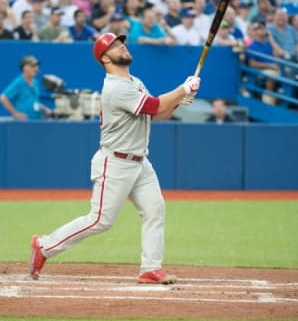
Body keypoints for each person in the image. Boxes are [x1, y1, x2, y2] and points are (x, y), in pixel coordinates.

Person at [28, 32, 200, 284]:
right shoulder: (115, 87)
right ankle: (43, 246)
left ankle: (150, 268)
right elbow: (153, 106)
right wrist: (182, 89)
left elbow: (156, 113)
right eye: (116, 46)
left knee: (155, 209)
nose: (122, 46)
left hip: (140, 161)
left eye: (122, 43)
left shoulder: (134, 82)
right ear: (105, 58)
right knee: (99, 220)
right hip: (115, 161)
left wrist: (179, 101)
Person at [0, 55, 52, 120]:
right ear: (25, 68)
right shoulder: (19, 82)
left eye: (37, 66)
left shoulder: (35, 82)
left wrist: (45, 109)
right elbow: (3, 98)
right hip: (23, 123)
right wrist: (15, 113)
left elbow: (35, 102)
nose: (36, 68)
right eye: (33, 66)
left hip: (36, 121)